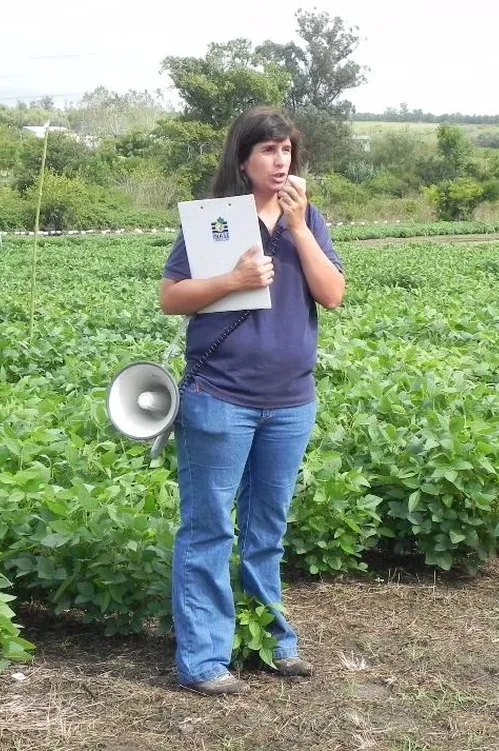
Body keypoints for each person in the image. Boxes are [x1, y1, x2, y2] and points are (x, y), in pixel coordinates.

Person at [159, 106, 345, 696]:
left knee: (267, 528)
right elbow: (172, 297)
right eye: (267, 150)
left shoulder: (307, 219)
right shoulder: (218, 221)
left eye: (286, 150)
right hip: (221, 397)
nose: (280, 160)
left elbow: (333, 294)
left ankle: (270, 641)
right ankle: (204, 658)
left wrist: (297, 230)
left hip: (291, 401)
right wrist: (232, 281)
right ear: (243, 159)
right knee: (209, 529)